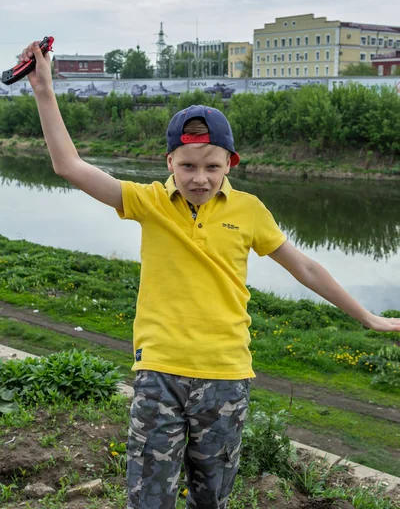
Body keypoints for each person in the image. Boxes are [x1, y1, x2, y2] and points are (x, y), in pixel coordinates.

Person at [21, 41, 400, 509]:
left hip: (225, 374)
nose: (199, 178)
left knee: (212, 498)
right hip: (158, 370)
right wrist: (44, 89)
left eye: (211, 167)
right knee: (148, 497)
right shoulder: (149, 202)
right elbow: (69, 166)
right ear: (169, 164)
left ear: (229, 165)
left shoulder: (250, 211)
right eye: (187, 166)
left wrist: (368, 317)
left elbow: (304, 266)